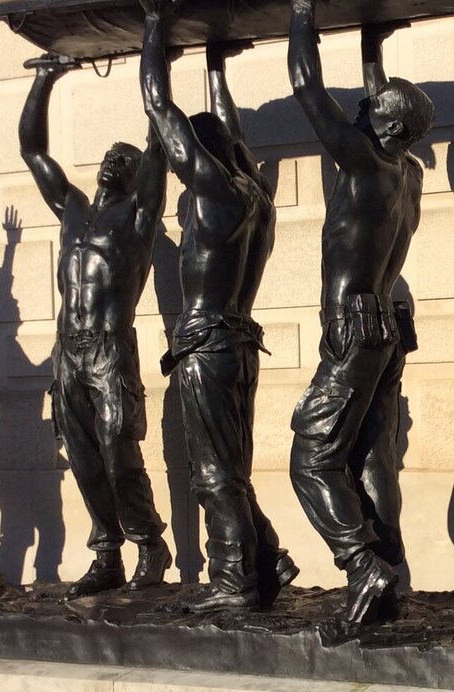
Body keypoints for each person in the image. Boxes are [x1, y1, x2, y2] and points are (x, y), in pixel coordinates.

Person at [138, 1, 298, 611]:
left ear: (197, 158)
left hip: (206, 343)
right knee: (233, 465)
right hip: (241, 343)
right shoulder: (257, 196)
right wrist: (214, 65)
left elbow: (159, 107)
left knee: (214, 473)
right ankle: (268, 557)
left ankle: (234, 582)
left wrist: (155, 26)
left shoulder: (209, 190)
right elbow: (231, 134)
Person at [287, 0, 434, 625]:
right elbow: (380, 103)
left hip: (353, 325)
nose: (359, 111)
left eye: (370, 111)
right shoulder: (409, 172)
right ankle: (390, 579)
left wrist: (302, 12)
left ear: (388, 126)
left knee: (312, 459)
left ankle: (362, 565)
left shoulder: (362, 161)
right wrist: (372, 43)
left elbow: (306, 86)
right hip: (386, 326)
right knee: (373, 458)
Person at [20, 53, 172, 597]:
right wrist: (45, 80)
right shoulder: (72, 209)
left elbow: (159, 138)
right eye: (110, 155)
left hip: (110, 351)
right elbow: (33, 151)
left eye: (125, 160)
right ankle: (107, 553)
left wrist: (156, 57)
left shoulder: (138, 218)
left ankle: (149, 543)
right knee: (84, 458)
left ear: (136, 177)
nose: (114, 161)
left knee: (118, 452)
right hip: (68, 353)